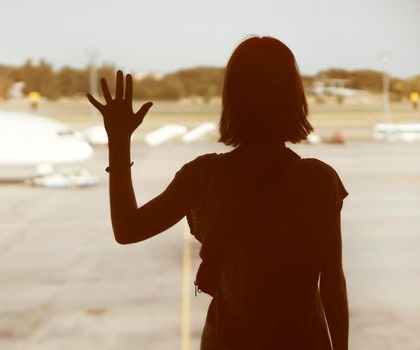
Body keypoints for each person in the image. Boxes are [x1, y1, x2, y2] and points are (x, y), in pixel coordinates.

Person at [87, 35, 349, 350]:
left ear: (231, 99)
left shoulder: (203, 176)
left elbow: (127, 229)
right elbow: (332, 283)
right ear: (293, 98)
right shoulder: (319, 181)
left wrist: (118, 141)